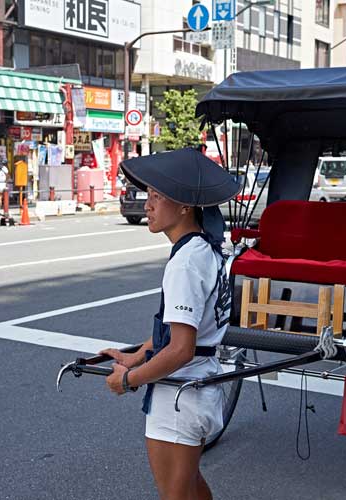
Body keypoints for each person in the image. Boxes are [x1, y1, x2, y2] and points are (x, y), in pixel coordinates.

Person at [99, 148, 240, 500]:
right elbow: (180, 328)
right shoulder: (205, 250)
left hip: (181, 396)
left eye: (158, 196)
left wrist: (128, 381)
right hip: (200, 388)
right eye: (148, 194)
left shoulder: (185, 263)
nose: (148, 204)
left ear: (183, 207)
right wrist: (139, 355)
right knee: (191, 487)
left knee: (176, 495)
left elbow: (180, 349)